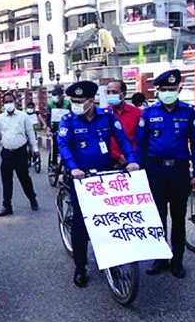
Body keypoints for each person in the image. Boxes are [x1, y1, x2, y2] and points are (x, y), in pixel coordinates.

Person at [57, 80, 139, 288]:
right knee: (81, 224)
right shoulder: (69, 120)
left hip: (107, 175)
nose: (74, 104)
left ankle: (115, 255)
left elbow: (122, 139)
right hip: (81, 179)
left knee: (114, 216)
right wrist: (73, 167)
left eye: (79, 101)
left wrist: (131, 160)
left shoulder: (107, 117)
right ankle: (80, 266)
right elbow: (64, 145)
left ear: (91, 101)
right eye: (72, 101)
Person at [136, 68, 195, 279]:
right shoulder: (149, 113)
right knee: (157, 217)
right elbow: (140, 143)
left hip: (179, 170)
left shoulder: (189, 112)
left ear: (179, 89)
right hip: (154, 170)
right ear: (158, 90)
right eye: (163, 89)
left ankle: (177, 260)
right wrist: (139, 172)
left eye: (171, 89)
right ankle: (160, 258)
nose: (167, 92)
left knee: (178, 216)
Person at [0, 92, 40, 217]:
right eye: (6, 102)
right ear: (3, 104)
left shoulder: (23, 116)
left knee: (24, 179)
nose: (8, 104)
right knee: (6, 181)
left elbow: (30, 133)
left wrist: (35, 149)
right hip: (6, 153)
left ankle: (32, 199)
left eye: (11, 101)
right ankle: (7, 206)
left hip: (20, 152)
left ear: (15, 102)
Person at [106, 79, 142, 169]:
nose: (111, 95)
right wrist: (118, 156)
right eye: (108, 92)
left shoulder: (137, 113)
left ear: (124, 94)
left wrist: (131, 157)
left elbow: (141, 139)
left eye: (114, 92)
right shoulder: (104, 115)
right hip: (110, 161)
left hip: (133, 162)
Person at [45, 87, 71, 174]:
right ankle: (53, 164)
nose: (54, 97)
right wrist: (48, 128)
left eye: (56, 95)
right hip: (55, 128)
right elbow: (48, 117)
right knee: (56, 144)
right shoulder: (50, 104)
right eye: (53, 95)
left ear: (61, 96)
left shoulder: (67, 104)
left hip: (66, 127)